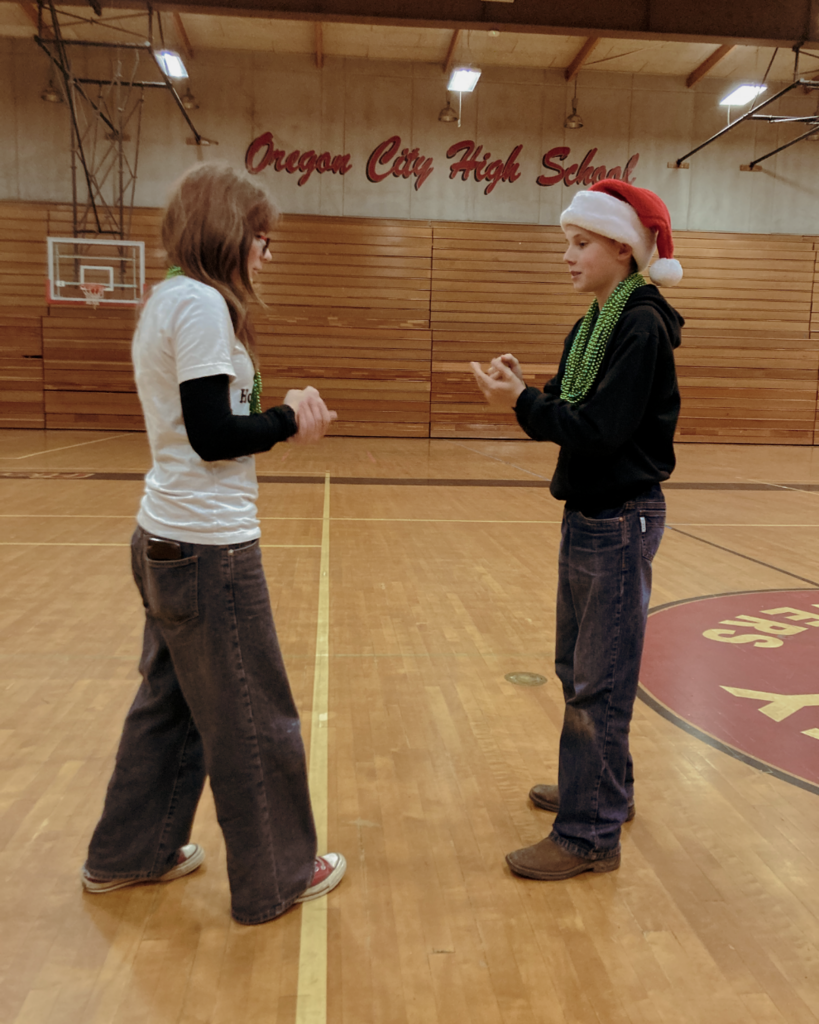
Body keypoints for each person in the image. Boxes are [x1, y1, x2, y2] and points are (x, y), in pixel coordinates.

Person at [81, 163, 346, 924]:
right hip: (207, 549)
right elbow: (212, 435)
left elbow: (206, 422)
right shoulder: (198, 304)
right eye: (262, 238)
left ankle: (127, 854)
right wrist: (291, 417)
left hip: (167, 537)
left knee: (168, 706)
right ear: (230, 232)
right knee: (253, 717)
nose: (266, 254)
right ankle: (280, 875)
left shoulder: (171, 297)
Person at [471, 180, 684, 880]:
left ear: (622, 249)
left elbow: (596, 430)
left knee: (599, 678)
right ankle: (603, 791)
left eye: (579, 242)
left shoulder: (640, 325)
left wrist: (522, 404)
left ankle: (589, 834)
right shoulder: (595, 321)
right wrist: (524, 392)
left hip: (621, 518)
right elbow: (566, 401)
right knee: (579, 668)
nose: (566, 255)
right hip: (590, 516)